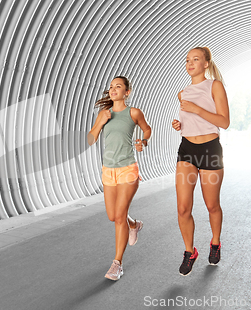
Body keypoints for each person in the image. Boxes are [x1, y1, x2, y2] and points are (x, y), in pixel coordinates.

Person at [171, 47, 230, 276]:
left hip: (209, 150)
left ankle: (215, 243)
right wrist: (180, 125)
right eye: (187, 60)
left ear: (206, 64)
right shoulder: (182, 92)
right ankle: (189, 251)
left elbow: (223, 122)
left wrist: (196, 109)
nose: (190, 63)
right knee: (183, 208)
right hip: (187, 149)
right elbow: (191, 122)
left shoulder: (214, 85)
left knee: (211, 205)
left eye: (195, 59)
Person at [88, 76, 151, 281]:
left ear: (127, 92)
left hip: (128, 169)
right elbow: (90, 139)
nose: (113, 89)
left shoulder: (133, 113)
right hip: (109, 170)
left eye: (118, 86)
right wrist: (100, 122)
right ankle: (134, 224)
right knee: (113, 216)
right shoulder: (104, 114)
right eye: (111, 87)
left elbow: (147, 128)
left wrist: (143, 141)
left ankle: (117, 264)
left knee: (119, 216)